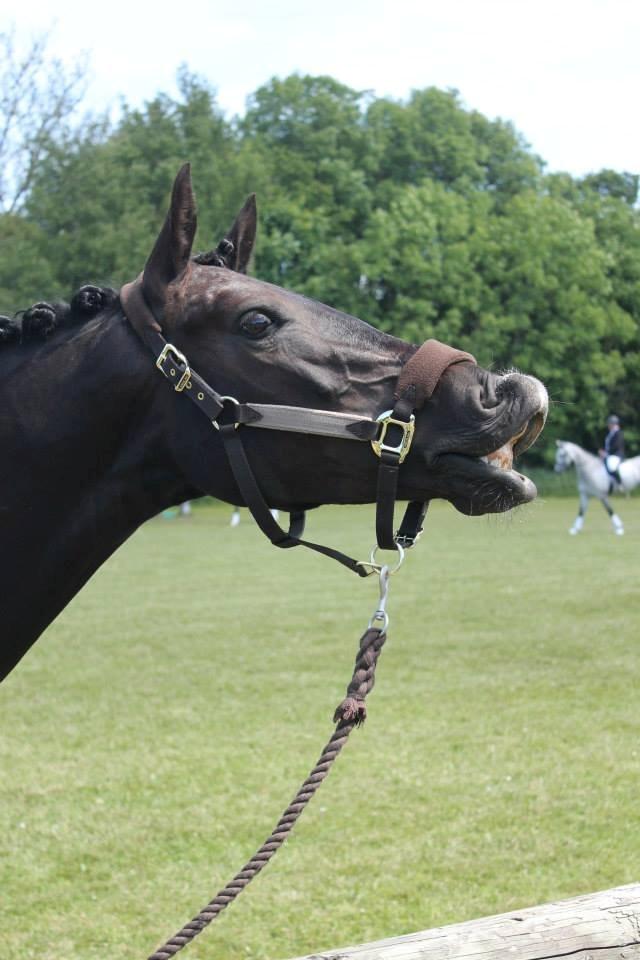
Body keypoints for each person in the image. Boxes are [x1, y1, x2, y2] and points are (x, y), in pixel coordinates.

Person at [599, 414, 625, 489]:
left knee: (611, 467)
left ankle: (620, 483)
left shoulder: (618, 433)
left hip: (616, 455)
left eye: (609, 424)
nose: (608, 425)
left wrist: (606, 453)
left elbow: (616, 445)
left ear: (613, 424)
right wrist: (603, 451)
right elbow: (608, 445)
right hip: (609, 454)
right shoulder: (611, 433)